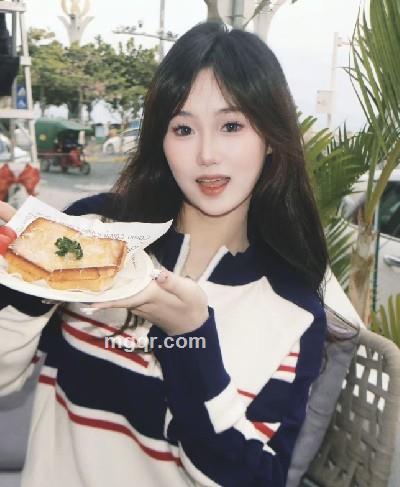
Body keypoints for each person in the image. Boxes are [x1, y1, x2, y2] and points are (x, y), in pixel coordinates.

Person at [0, 22, 329, 487]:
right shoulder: (93, 233)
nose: (207, 154)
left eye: (231, 126)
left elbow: (257, 477)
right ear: (162, 139)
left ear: (271, 138)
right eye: (184, 128)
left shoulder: (293, 310)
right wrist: (33, 276)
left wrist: (189, 339)